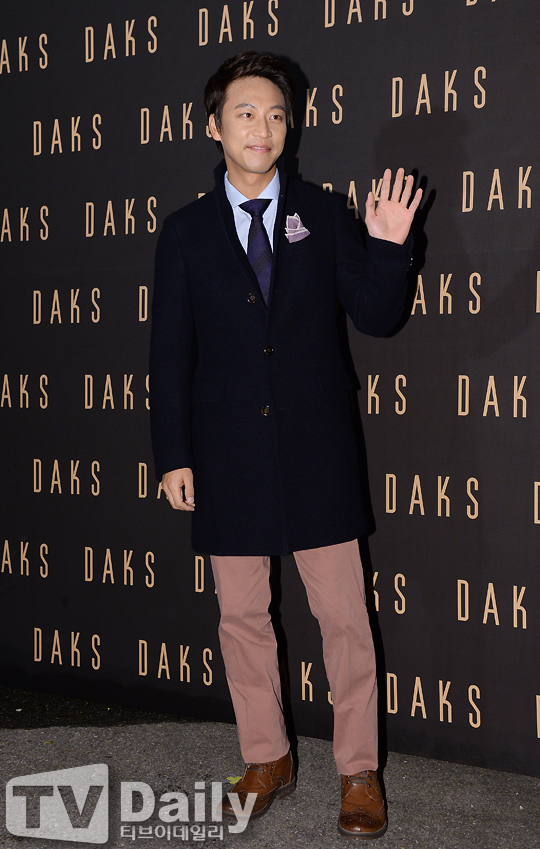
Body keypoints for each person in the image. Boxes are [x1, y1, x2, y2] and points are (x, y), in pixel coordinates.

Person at [150, 51, 421, 839]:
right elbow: (169, 355)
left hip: (317, 453)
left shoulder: (325, 214)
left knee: (344, 617)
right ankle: (266, 758)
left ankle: (359, 770)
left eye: (275, 114)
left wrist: (389, 248)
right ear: (214, 126)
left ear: (289, 126)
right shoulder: (185, 232)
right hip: (226, 454)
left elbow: (377, 315)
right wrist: (173, 454)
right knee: (242, 617)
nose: (261, 128)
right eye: (245, 113)